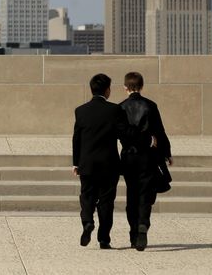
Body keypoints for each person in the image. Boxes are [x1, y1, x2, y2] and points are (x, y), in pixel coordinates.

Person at [72, 73, 135, 249]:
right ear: (107, 90)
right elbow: (124, 135)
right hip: (109, 164)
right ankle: (104, 238)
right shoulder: (115, 110)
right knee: (107, 202)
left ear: (92, 89)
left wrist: (76, 163)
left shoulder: (81, 111)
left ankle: (87, 222)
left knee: (87, 196)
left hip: (87, 163)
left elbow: (77, 139)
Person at [119, 71, 172, 252]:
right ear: (141, 86)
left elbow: (121, 134)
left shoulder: (120, 108)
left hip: (128, 157)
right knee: (145, 195)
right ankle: (143, 224)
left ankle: (134, 232)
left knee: (131, 194)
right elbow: (160, 131)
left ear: (125, 87)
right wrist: (167, 153)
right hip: (147, 157)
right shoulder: (151, 106)